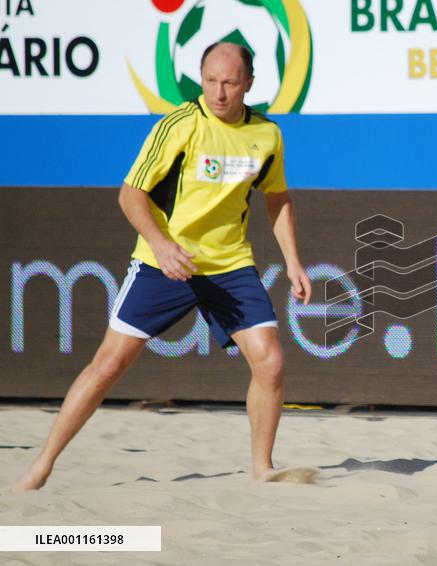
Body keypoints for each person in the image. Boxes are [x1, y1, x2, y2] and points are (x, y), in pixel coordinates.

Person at [11, 42, 312, 491]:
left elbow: (277, 197)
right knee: (109, 365)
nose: (219, 92)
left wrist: (293, 261)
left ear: (249, 83)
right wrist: (163, 245)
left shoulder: (267, 134)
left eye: (229, 82)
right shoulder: (179, 125)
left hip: (228, 264)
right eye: (210, 81)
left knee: (270, 361)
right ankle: (41, 467)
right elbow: (130, 194)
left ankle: (262, 467)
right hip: (163, 262)